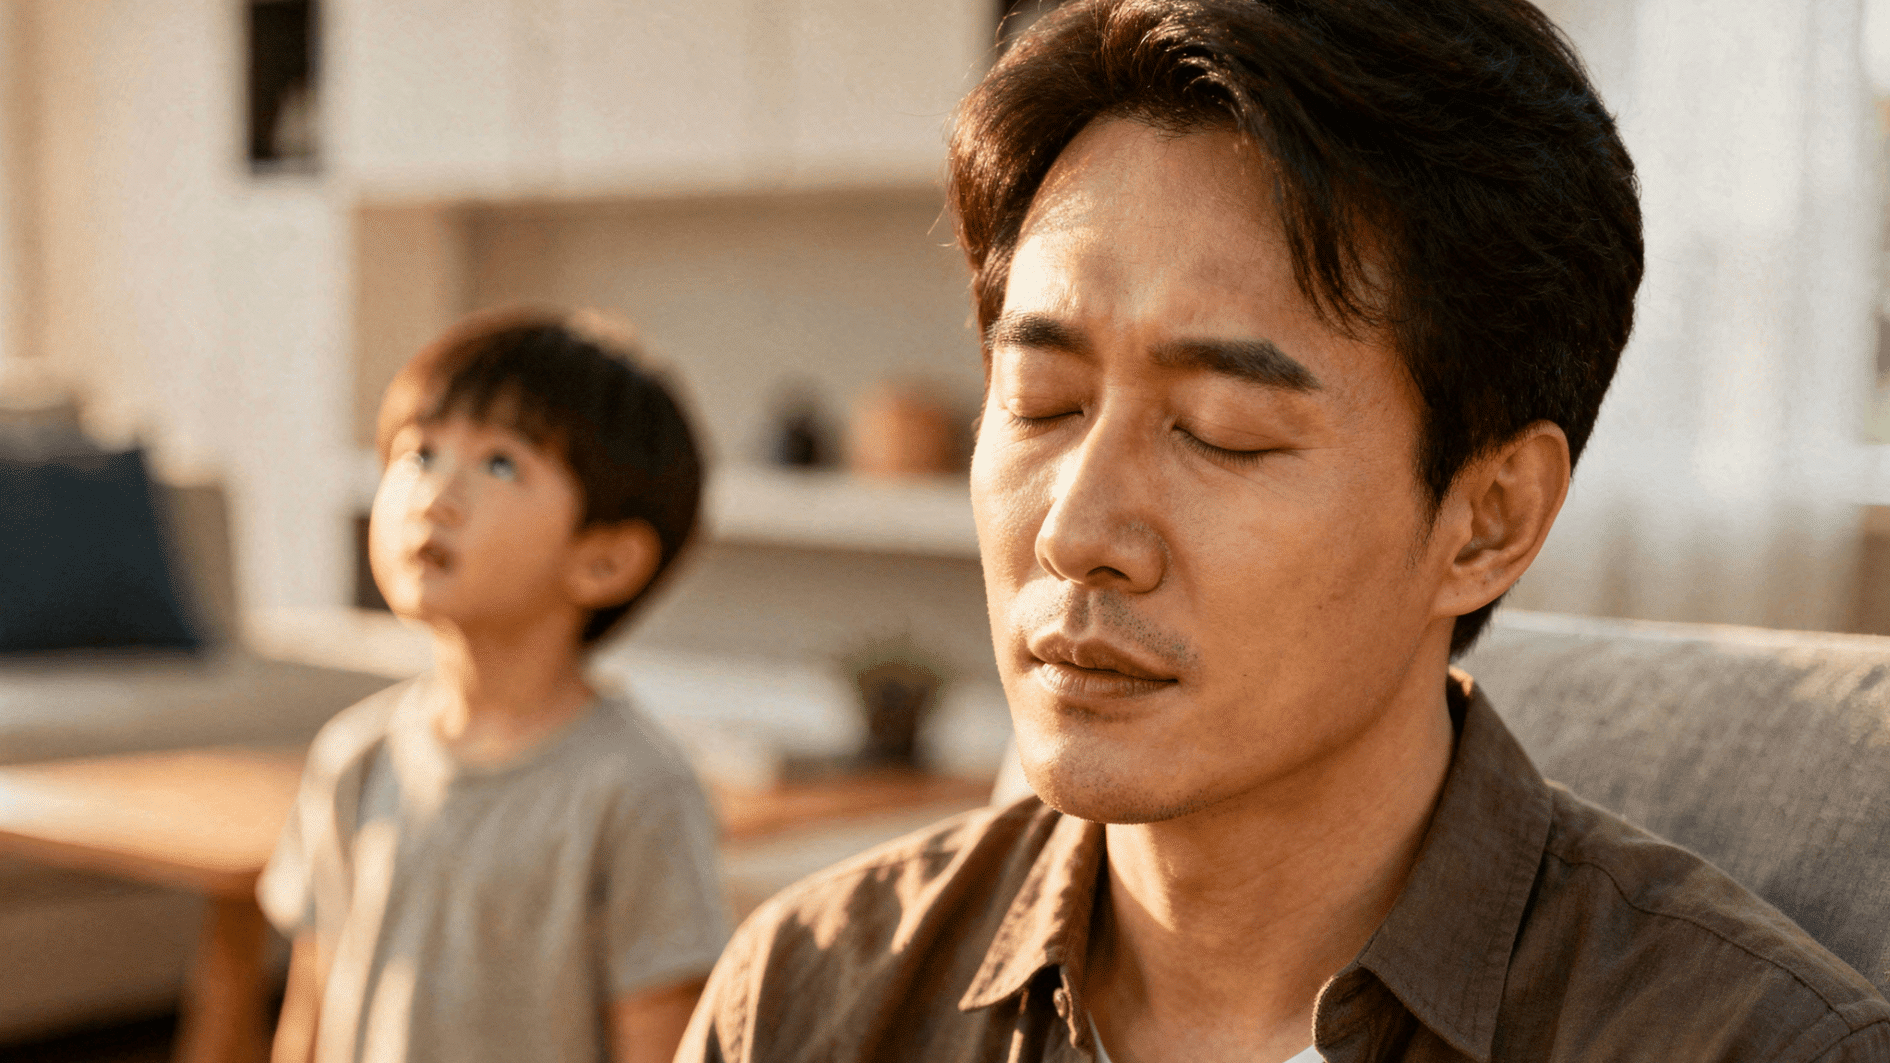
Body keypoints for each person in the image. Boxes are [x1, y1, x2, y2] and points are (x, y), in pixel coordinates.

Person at [675, 1, 1890, 1061]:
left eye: (1221, 429)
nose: (1080, 530)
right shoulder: (810, 997)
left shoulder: (1753, 1046)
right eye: (1043, 401)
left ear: (1488, 518)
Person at [261, 311, 729, 1063]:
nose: (437, 492)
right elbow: (308, 1015)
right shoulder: (355, 756)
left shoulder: (638, 790)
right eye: (419, 453)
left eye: (501, 463)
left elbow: (663, 1040)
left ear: (603, 559)